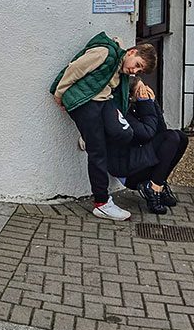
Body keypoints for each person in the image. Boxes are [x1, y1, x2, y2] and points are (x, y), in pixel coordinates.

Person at [50, 32, 145, 221]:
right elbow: (75, 69)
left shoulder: (120, 63)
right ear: (132, 52)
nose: (134, 71)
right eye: (137, 65)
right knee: (98, 152)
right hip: (84, 102)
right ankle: (102, 203)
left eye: (139, 70)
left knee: (124, 133)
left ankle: (88, 136)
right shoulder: (104, 52)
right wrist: (59, 93)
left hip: (103, 100)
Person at [118, 73, 190, 216]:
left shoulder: (139, 106)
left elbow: (161, 131)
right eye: (140, 91)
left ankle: (158, 183)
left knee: (180, 137)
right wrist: (146, 104)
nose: (144, 93)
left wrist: (153, 104)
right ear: (130, 95)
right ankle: (153, 187)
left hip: (141, 160)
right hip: (129, 171)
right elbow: (146, 134)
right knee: (170, 137)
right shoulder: (124, 110)